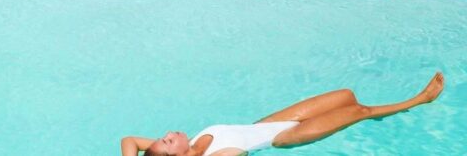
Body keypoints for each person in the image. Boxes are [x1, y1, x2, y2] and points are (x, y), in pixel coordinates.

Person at [121, 72, 444, 156]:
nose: (168, 134)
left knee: (345, 95)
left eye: (163, 139)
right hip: (283, 137)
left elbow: (129, 140)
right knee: (357, 110)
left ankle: (377, 114)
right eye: (167, 142)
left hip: (268, 122)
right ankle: (419, 100)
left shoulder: (188, 146)